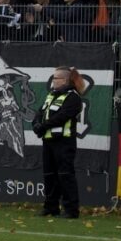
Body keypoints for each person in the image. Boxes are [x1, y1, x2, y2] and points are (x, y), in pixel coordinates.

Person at [33, 66, 85, 219]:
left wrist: (43, 126)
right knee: (49, 175)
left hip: (64, 142)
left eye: (55, 78)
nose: (53, 81)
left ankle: (71, 209)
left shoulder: (73, 98)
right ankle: (51, 207)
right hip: (48, 141)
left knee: (65, 175)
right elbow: (40, 112)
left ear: (64, 80)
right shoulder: (51, 95)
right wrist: (36, 124)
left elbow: (62, 117)